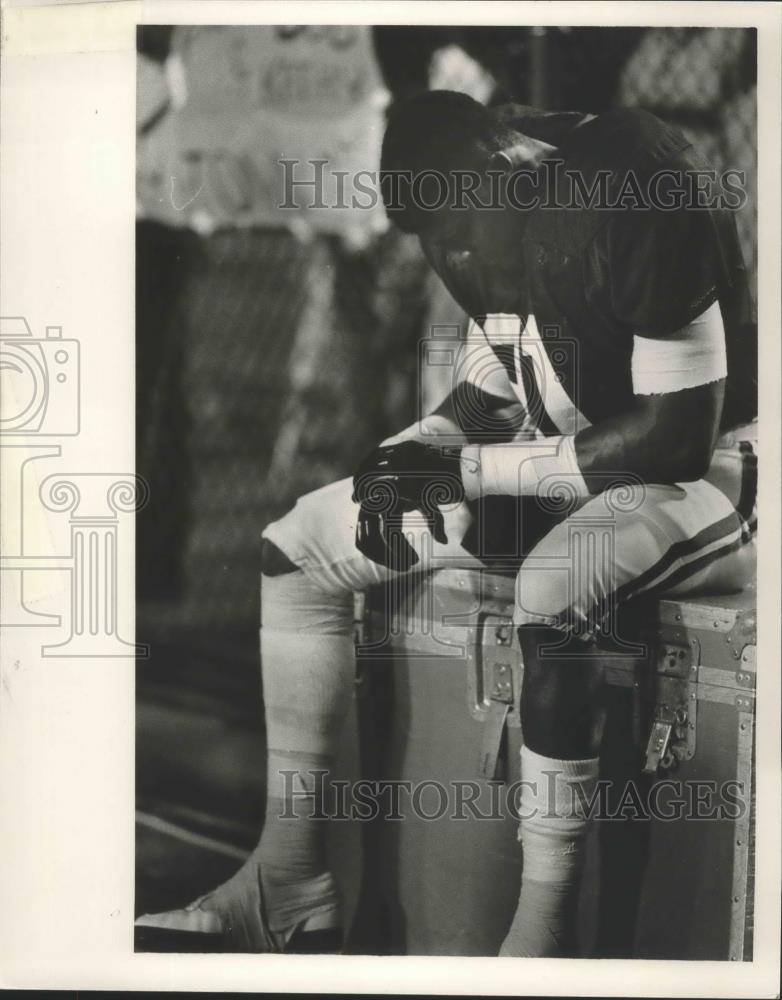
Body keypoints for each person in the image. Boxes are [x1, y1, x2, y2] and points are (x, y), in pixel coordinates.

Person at [136, 90, 758, 955]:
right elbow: (480, 407)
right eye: (441, 243)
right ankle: (288, 880)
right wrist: (406, 456)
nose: (458, 260)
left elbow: (675, 437)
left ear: (508, 181)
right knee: (298, 545)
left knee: (552, 591)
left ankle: (541, 942)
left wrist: (465, 468)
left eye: (464, 235)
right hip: (560, 470)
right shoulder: (485, 206)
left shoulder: (638, 188)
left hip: (713, 477)